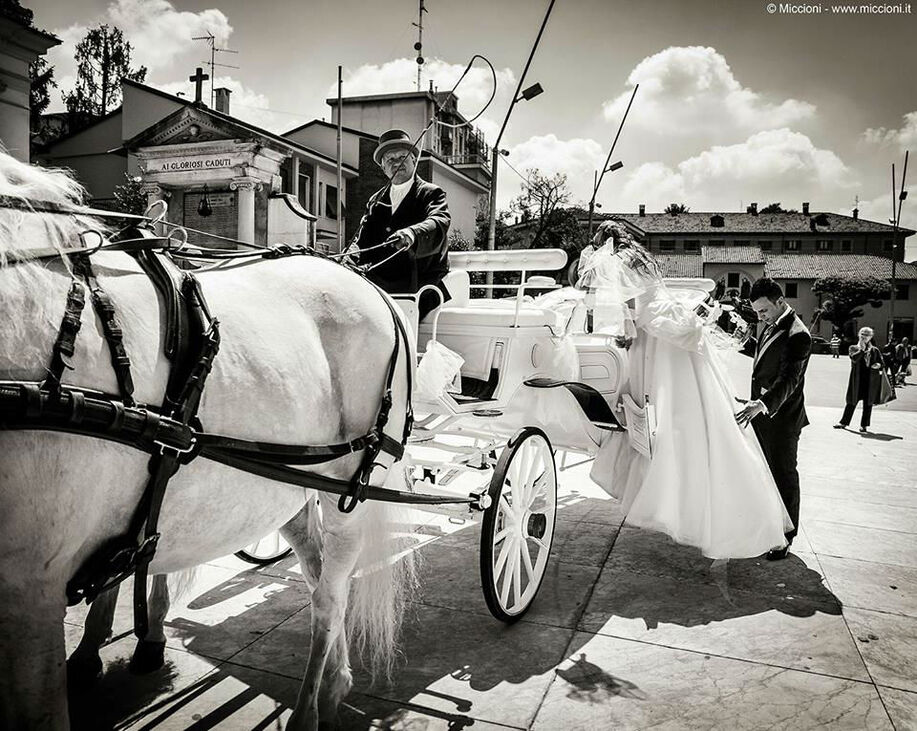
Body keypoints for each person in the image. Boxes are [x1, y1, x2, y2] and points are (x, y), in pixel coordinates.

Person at [581, 221, 792, 560]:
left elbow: (631, 303)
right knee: (689, 407)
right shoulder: (640, 255)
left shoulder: (617, 259)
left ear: (604, 241)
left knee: (660, 407)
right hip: (667, 322)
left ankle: (676, 497)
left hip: (655, 331)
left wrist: (629, 332)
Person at [736, 278, 812, 561]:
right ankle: (766, 524)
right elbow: (765, 359)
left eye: (764, 310)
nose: (760, 316)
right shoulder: (771, 323)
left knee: (784, 475)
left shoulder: (798, 335)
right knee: (763, 473)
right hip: (762, 414)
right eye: (757, 312)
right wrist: (746, 341)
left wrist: (764, 403)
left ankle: (784, 537)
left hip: (782, 418)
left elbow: (789, 379)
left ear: (780, 301)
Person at [348, 129, 451, 319]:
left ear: (414, 160)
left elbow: (439, 221)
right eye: (390, 160)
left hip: (419, 284)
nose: (397, 163)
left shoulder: (431, 193)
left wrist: (412, 233)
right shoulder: (376, 200)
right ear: (383, 168)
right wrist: (347, 259)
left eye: (403, 157)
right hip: (379, 284)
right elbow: (362, 242)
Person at [835, 327, 885, 431]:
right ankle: (844, 422)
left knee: (868, 404)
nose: (864, 336)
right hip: (857, 380)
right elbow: (854, 359)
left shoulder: (875, 350)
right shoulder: (854, 348)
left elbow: (882, 363)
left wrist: (878, 365)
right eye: (862, 334)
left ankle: (864, 425)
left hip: (870, 381)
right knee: (851, 402)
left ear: (871, 337)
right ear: (859, 335)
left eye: (867, 335)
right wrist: (862, 350)